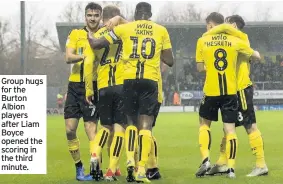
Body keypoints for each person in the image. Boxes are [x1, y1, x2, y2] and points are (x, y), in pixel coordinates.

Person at [87, 2, 174, 182]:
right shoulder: (159, 30)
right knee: (143, 127)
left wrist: (90, 36)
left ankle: (107, 157)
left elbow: (95, 46)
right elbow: (170, 60)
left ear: (135, 14)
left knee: (122, 125)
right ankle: (138, 168)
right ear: (150, 14)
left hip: (119, 82)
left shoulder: (124, 29)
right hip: (146, 81)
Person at [195, 12, 261, 178]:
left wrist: (211, 32)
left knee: (248, 125)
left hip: (239, 87)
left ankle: (261, 164)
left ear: (233, 26)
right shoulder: (235, 40)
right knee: (229, 128)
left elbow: (201, 67)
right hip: (231, 89)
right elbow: (255, 55)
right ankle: (224, 163)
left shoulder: (239, 37)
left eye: (227, 24)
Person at [84, 5, 126, 182]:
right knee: (119, 129)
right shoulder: (125, 31)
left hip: (103, 87)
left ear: (103, 19)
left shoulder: (97, 36)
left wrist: (88, 88)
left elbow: (88, 63)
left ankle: (95, 154)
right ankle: (111, 169)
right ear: (116, 17)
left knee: (105, 128)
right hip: (122, 85)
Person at [64, 2, 101, 181]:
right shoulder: (75, 34)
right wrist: (84, 57)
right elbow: (68, 57)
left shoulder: (104, 36)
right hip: (74, 86)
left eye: (96, 15)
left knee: (91, 129)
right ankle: (79, 166)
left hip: (93, 87)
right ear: (85, 17)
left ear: (100, 17)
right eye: (89, 15)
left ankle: (96, 167)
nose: (92, 18)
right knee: (70, 130)